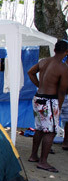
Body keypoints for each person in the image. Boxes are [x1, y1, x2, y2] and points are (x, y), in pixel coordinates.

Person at [27, 39, 68, 173]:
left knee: (39, 128)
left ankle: (33, 156)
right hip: (50, 101)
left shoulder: (44, 61)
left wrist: (40, 86)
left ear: (55, 49)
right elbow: (62, 91)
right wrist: (59, 107)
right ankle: (43, 162)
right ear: (66, 52)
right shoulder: (63, 68)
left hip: (38, 98)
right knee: (50, 131)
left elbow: (30, 72)